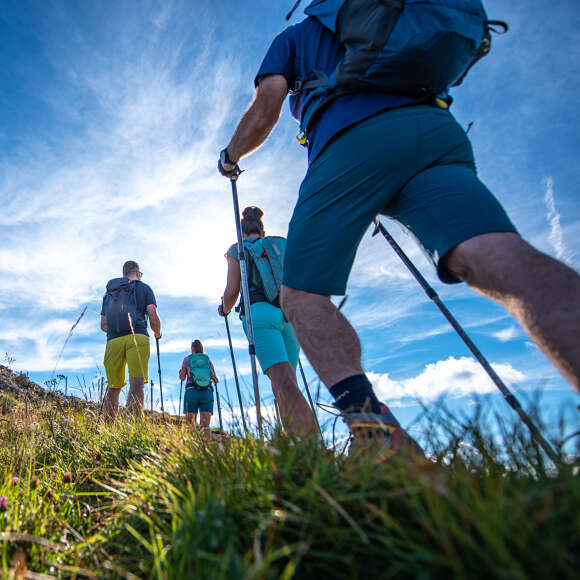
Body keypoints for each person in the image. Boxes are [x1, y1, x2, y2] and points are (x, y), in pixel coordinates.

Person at [217, 7, 580, 454]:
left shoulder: (297, 36)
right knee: (498, 254)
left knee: (303, 298)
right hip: (432, 128)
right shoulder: (399, 16)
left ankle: (378, 439)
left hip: (347, 141)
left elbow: (266, 106)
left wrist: (230, 157)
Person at [219, 206, 318, 437]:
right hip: (289, 316)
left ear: (242, 232)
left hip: (259, 313)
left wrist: (224, 310)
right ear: (262, 231)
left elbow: (232, 291)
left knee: (283, 384)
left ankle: (312, 446)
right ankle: (295, 442)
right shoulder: (280, 244)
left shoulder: (237, 249)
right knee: (286, 384)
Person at [100, 260, 162, 420]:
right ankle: (133, 426)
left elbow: (103, 325)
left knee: (114, 387)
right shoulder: (144, 288)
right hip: (138, 336)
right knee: (137, 382)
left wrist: (118, 329)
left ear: (123, 275)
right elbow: (153, 317)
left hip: (113, 340)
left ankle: (108, 429)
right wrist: (157, 333)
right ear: (137, 273)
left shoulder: (109, 294)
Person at [179, 339, 218, 439]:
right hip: (207, 392)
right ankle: (205, 451)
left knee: (190, 425)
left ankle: (191, 449)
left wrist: (181, 373)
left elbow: (182, 377)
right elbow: (215, 379)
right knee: (205, 426)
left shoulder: (187, 359)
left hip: (191, 391)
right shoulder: (207, 360)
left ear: (192, 349)